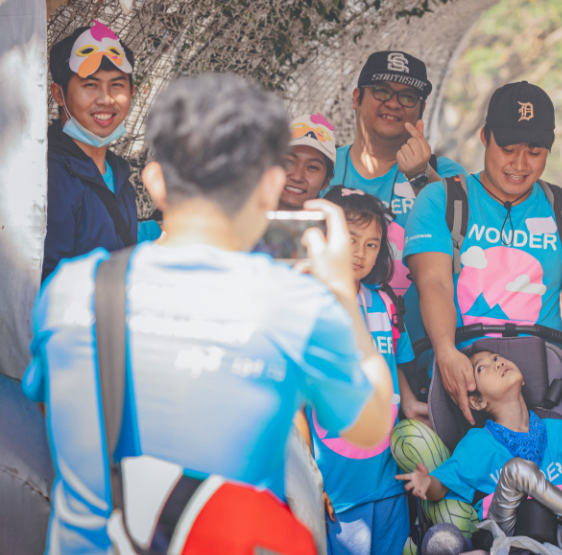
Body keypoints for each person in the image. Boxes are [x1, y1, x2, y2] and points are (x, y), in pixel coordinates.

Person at [22, 74, 394, 554]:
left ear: (154, 180)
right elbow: (369, 427)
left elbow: (46, 404)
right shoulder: (295, 306)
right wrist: (342, 291)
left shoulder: (72, 291)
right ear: (270, 187)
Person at [404, 81, 562, 425]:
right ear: (484, 137)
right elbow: (434, 283)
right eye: (508, 147)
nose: (520, 164)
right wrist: (446, 352)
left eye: (535, 152)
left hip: (547, 387)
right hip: (463, 380)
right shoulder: (441, 200)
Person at [397, 347, 562, 549]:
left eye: (497, 357)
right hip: (504, 531)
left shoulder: (561, 431)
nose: (497, 362)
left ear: (522, 380)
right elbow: (440, 487)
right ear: (477, 401)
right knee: (518, 470)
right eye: (482, 368)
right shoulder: (477, 444)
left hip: (557, 530)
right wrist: (425, 482)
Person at [296, 186, 415, 555]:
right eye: (351, 240)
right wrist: (309, 478)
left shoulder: (384, 303)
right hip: (335, 487)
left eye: (372, 244)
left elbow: (397, 364)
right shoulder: (305, 303)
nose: (361, 254)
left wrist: (412, 407)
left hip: (388, 478)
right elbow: (296, 403)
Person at [325, 51, 468, 348]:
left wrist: (421, 177)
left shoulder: (445, 174)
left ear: (421, 110)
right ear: (356, 98)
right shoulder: (320, 169)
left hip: (428, 350)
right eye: (381, 91)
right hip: (334, 346)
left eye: (407, 97)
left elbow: (470, 241)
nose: (393, 103)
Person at [44, 19, 138, 280]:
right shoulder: (47, 177)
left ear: (132, 92)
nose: (106, 99)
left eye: (117, 85)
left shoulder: (120, 175)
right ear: (59, 94)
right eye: (90, 84)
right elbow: (46, 282)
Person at [280, 113, 339, 210]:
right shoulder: (246, 215)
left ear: (326, 182)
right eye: (289, 161)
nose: (297, 177)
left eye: (312, 167)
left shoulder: (334, 223)